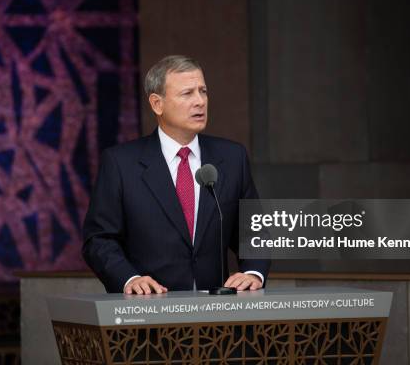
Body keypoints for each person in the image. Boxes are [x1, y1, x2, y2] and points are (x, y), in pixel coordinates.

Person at [82, 55, 270, 294]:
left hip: (217, 316)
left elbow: (255, 232)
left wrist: (253, 273)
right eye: (187, 94)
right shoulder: (121, 163)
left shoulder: (232, 158)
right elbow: (98, 240)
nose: (200, 101)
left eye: (203, 91)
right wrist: (130, 279)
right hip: (148, 313)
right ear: (157, 104)